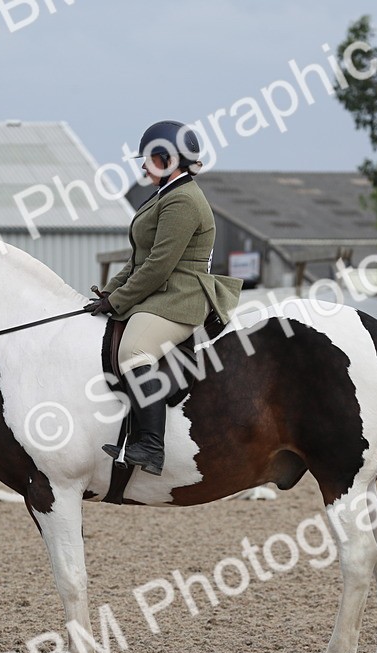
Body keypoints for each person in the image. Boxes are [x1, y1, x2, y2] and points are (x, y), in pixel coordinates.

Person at [86, 120, 242, 476]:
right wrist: (109, 292)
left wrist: (120, 301)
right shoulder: (166, 194)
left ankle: (151, 446)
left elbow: (158, 266)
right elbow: (139, 257)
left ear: (168, 159)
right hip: (161, 292)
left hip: (180, 297)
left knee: (133, 352)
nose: (142, 167)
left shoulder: (184, 200)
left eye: (149, 160)